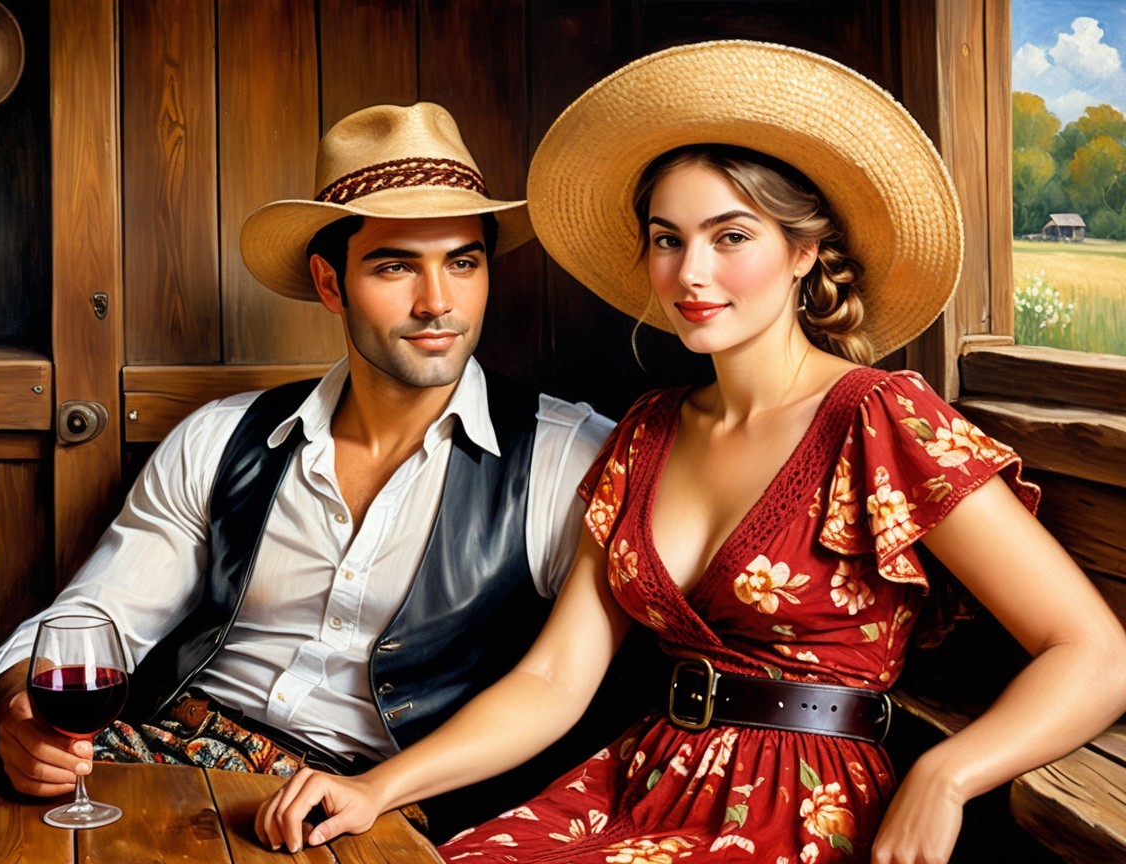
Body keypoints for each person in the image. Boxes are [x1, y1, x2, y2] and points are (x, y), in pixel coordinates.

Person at [254, 42, 1126, 863]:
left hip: (802, 803)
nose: (690, 273)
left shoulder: (880, 418)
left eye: (730, 236)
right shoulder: (647, 431)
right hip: (636, 782)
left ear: (804, 251)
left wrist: (949, 773)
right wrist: (377, 787)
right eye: (668, 239)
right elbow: (555, 679)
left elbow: (1096, 654)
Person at [0, 102, 616, 839]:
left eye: (462, 262)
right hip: (169, 759)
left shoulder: (569, 459)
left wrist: (376, 791)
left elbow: (559, 682)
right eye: (395, 265)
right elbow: (96, 621)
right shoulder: (220, 437)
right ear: (329, 283)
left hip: (375, 812)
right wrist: (17, 709)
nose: (437, 302)